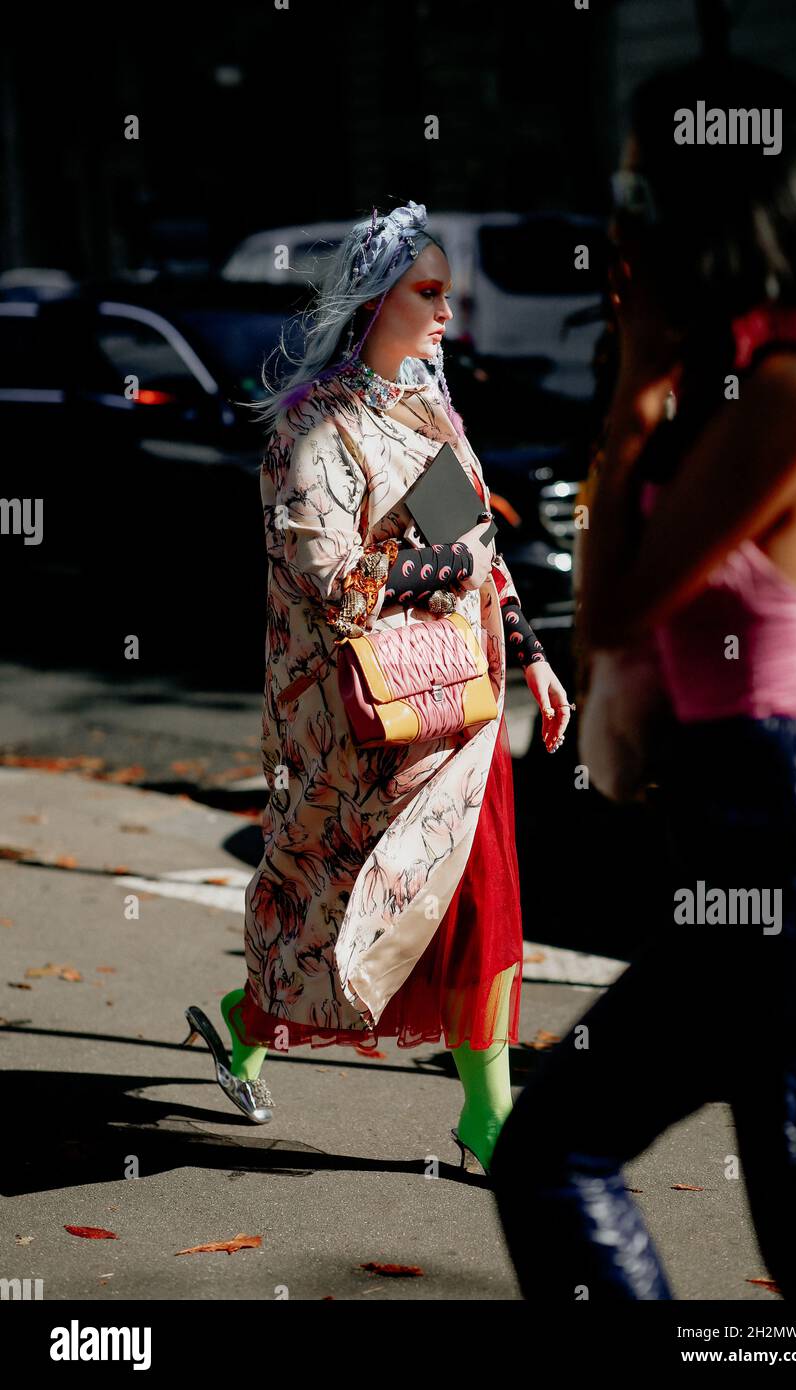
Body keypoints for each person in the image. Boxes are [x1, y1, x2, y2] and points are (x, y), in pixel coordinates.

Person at [490, 58, 796, 1299]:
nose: (616, 225)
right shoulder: (749, 386)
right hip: (761, 829)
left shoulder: (792, 396)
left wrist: (636, 395)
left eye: (638, 198)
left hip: (783, 829)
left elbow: (608, 610)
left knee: (556, 1149)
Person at [182, 200, 573, 1175]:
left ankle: (486, 1118)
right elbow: (331, 590)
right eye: (428, 293)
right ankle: (247, 1019)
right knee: (338, 918)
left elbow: (477, 552)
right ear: (373, 301)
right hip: (359, 725)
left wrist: (530, 655)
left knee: (484, 902)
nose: (448, 312)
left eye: (447, 293)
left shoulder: (423, 412)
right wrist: (441, 567)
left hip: (462, 707)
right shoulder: (313, 432)